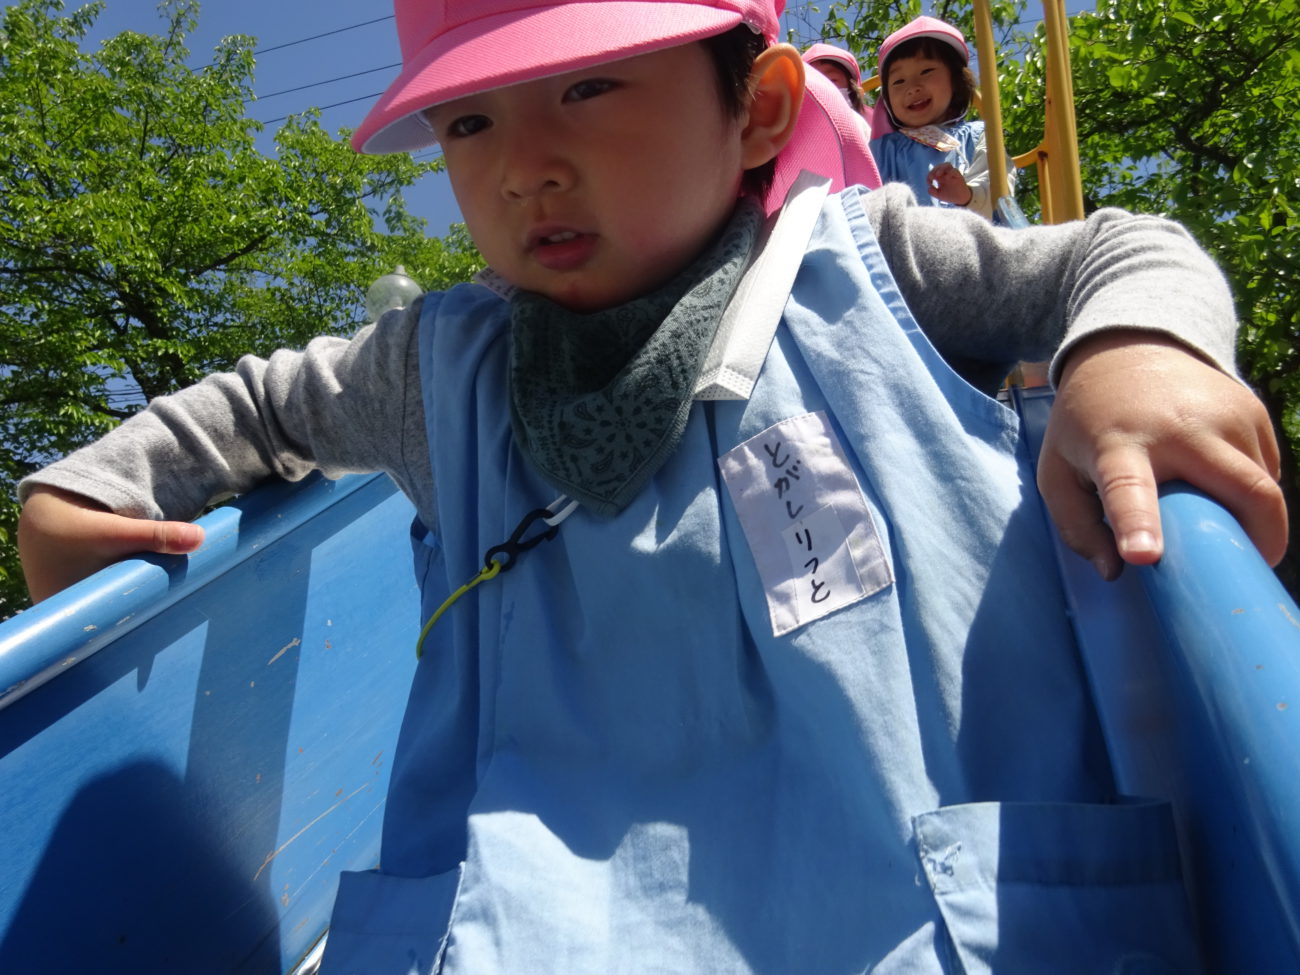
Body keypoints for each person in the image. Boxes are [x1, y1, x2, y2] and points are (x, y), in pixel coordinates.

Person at [15, 0, 1286, 971]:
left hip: (905, 917)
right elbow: (260, 407)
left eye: (587, 88)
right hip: (537, 927)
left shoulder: (870, 269)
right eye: (469, 123)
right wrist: (81, 491)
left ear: (761, 110)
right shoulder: (442, 367)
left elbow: (1121, 249)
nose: (523, 166)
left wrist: (1137, 355)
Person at [869, 16, 1014, 221]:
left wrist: (968, 196)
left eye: (926, 71)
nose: (913, 87)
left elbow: (1000, 191)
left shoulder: (977, 136)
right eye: (898, 81)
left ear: (955, 80)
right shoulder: (881, 151)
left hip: (970, 234)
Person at [802, 41, 869, 121]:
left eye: (832, 81)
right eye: (812, 84)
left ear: (855, 92)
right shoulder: (793, 128)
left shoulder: (869, 126)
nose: (822, 88)